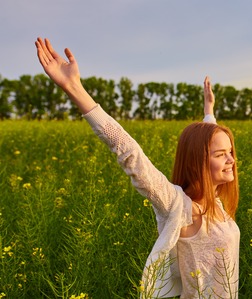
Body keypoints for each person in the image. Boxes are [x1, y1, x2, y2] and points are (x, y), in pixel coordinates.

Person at [35, 37, 240, 298]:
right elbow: (129, 152)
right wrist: (74, 87)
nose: (231, 160)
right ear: (198, 162)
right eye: (221, 155)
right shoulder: (180, 208)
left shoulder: (217, 203)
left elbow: (206, 146)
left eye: (230, 152)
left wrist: (208, 113)